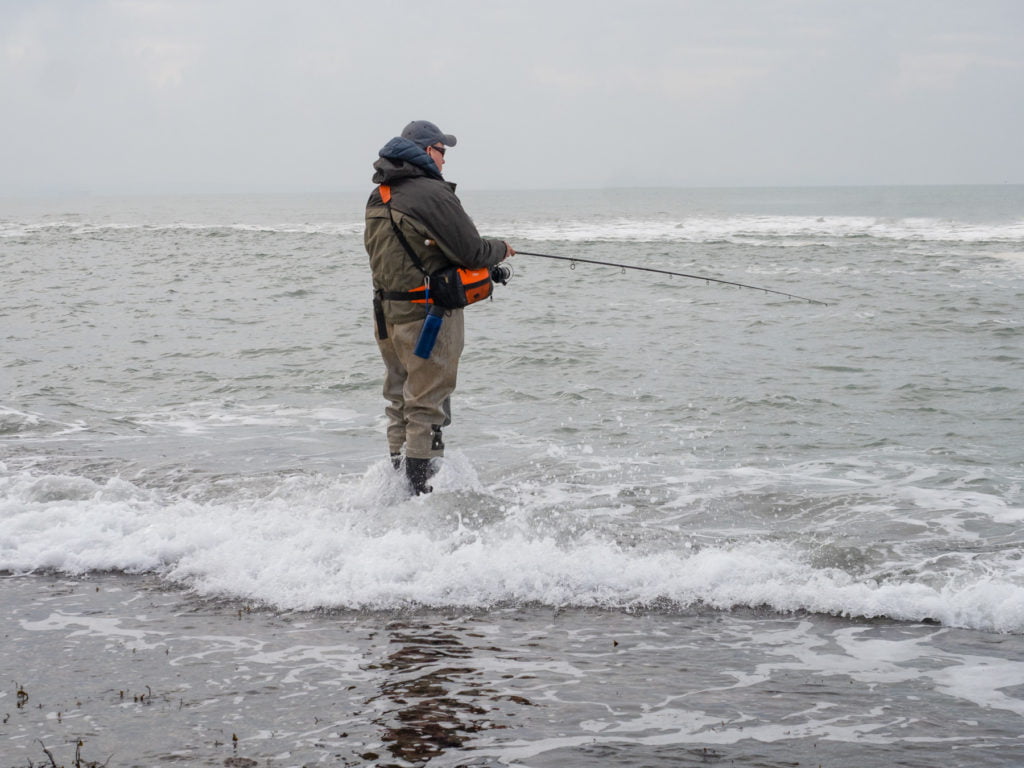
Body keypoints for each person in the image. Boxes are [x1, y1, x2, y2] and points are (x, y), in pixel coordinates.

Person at [365, 120, 513, 495]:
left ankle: (394, 492)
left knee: (399, 402)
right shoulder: (430, 193)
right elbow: (472, 251)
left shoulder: (379, 194)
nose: (445, 161)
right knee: (426, 407)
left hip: (387, 319)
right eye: (442, 152)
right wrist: (502, 249)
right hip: (426, 320)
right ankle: (421, 499)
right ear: (426, 152)